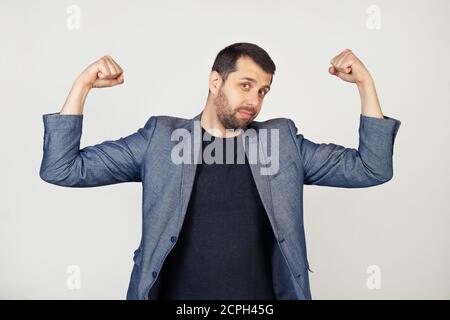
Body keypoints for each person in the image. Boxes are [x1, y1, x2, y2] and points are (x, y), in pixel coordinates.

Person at [40, 42, 401, 300]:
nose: (254, 101)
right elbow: (63, 168)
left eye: (263, 91)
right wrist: (82, 86)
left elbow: (370, 168)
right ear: (216, 82)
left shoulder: (282, 141)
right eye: (245, 86)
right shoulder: (162, 138)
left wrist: (366, 85)